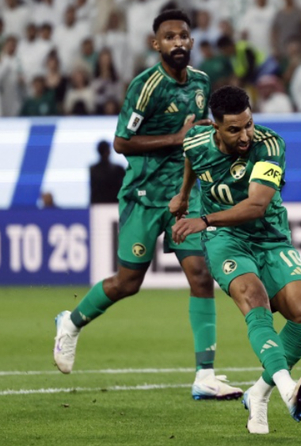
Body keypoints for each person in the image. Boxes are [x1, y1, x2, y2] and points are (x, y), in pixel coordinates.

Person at [53, 9, 242, 402]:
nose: (178, 42)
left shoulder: (202, 83)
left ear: (192, 41)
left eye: (184, 35)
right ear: (156, 44)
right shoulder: (146, 86)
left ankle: (205, 375)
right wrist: (176, 138)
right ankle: (71, 322)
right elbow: (122, 142)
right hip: (143, 196)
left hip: (183, 196)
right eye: (169, 37)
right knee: (128, 283)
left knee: (201, 276)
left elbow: (196, 138)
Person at [170, 85, 301, 435]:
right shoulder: (196, 140)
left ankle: (259, 393)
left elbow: (256, 205)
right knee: (255, 299)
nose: (245, 135)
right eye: (234, 129)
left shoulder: (269, 145)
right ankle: (287, 389)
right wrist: (184, 194)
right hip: (226, 240)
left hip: (270, 236)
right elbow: (192, 157)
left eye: (248, 124)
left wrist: (203, 218)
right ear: (216, 127)